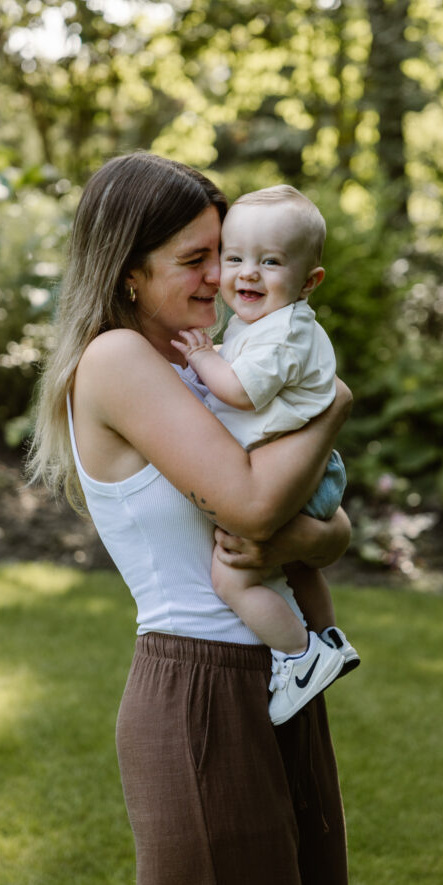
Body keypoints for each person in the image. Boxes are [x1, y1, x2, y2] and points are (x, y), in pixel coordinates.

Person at [28, 151, 353, 885]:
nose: (221, 276)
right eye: (195, 259)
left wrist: (297, 543)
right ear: (129, 272)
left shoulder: (213, 361)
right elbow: (252, 506)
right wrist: (335, 406)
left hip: (279, 673)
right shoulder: (117, 361)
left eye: (226, 253)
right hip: (200, 688)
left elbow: (329, 527)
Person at [171, 185, 359, 726]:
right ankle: (329, 637)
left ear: (309, 281)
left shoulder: (283, 334)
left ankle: (300, 656)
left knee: (234, 576)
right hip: (304, 463)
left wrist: (204, 358)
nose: (248, 273)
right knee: (296, 565)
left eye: (270, 262)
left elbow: (239, 392)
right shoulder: (265, 322)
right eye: (234, 259)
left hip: (295, 469)